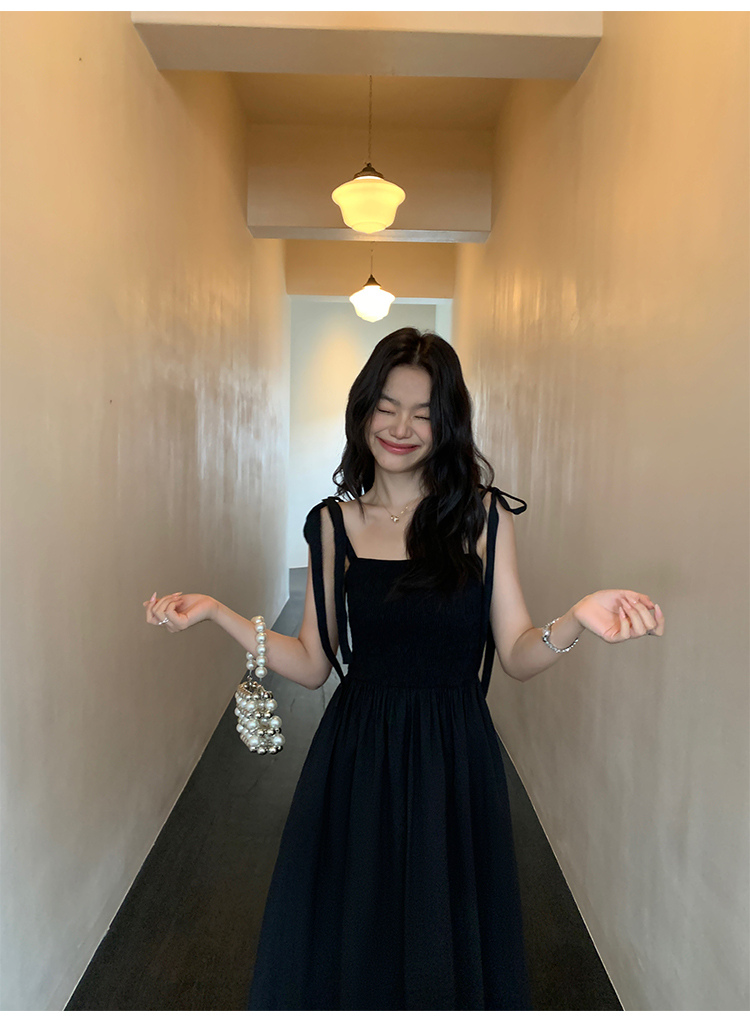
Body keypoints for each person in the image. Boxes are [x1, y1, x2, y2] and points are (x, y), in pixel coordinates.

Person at [143, 328, 665, 1010]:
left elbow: (515, 653)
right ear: (363, 412)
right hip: (358, 753)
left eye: (423, 413)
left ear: (447, 425)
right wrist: (217, 612)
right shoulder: (333, 525)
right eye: (387, 407)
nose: (400, 427)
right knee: (360, 927)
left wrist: (576, 619)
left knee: (442, 925)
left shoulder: (484, 518)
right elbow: (311, 663)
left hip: (455, 752)